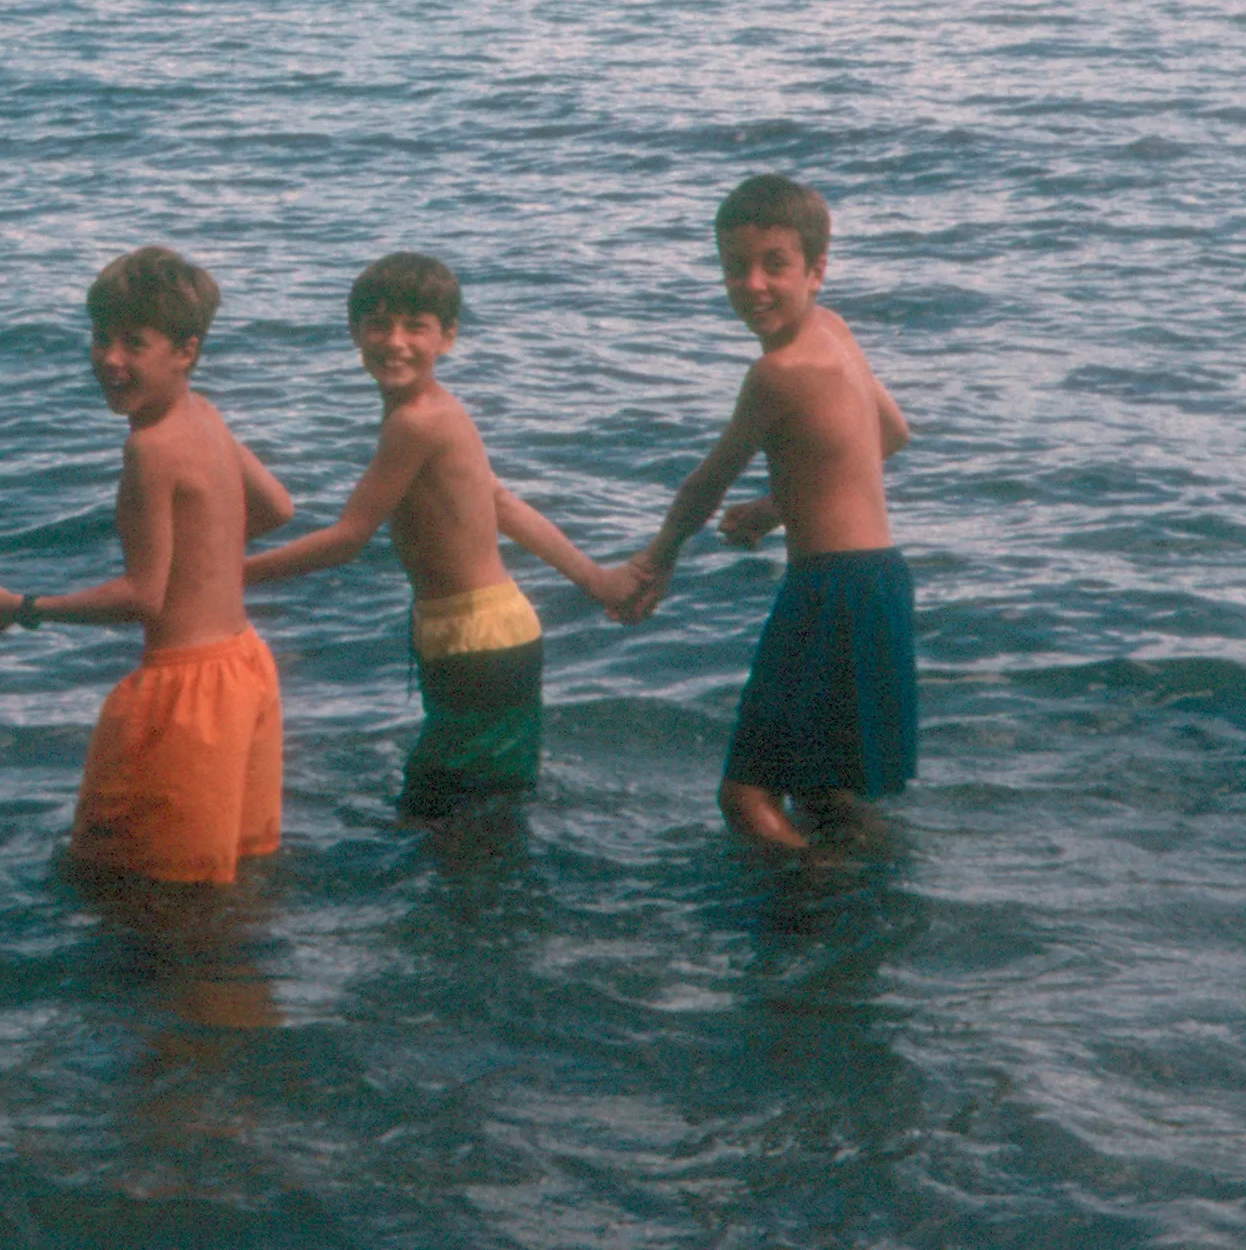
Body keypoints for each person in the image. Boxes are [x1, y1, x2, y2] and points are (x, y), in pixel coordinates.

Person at [244, 252, 644, 819]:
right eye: (379, 324)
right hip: (483, 635)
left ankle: (483, 901)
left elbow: (348, 538)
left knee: (443, 809)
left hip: (476, 639)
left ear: (448, 338)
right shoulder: (433, 411)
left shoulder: (417, 422)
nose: (395, 341)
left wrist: (228, 576)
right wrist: (595, 579)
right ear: (355, 332)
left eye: (416, 326)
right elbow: (501, 503)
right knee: (482, 802)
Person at [0, 247, 295, 885]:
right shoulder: (207, 417)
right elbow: (276, 507)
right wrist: (208, 562)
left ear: (185, 351)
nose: (109, 359)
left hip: (185, 692)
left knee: (141, 891)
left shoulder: (149, 449)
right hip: (246, 668)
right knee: (228, 882)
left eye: (133, 343)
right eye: (100, 338)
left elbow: (142, 598)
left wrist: (23, 609)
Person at [622, 174, 916, 849]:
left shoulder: (776, 372)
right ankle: (856, 903)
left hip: (829, 591)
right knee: (827, 784)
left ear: (816, 268)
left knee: (747, 795)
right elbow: (890, 434)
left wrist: (656, 559)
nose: (751, 284)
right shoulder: (835, 330)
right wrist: (781, 506)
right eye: (734, 267)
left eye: (773, 264)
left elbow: (705, 484)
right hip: (880, 582)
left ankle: (817, 891)